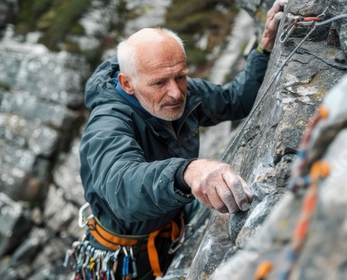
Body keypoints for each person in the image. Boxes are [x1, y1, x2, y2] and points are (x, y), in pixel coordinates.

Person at [79, 1, 287, 278]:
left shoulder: (183, 96)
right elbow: (123, 189)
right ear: (127, 83)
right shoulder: (107, 124)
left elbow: (235, 100)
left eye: (181, 76)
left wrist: (264, 49)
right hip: (128, 258)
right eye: (159, 83)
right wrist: (187, 171)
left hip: (171, 229)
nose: (176, 93)